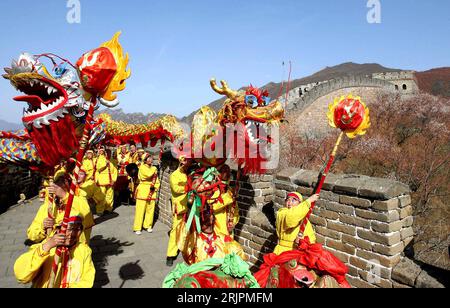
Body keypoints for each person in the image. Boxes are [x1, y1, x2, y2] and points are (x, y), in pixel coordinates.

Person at [15, 216, 95, 288]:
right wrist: (47, 246)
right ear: (57, 229)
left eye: (77, 229)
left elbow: (87, 280)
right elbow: (22, 276)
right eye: (69, 229)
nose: (72, 234)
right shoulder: (44, 247)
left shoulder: (84, 250)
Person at [27, 173, 94, 245]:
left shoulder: (79, 198)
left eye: (64, 181)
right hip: (52, 250)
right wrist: (43, 227)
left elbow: (87, 215)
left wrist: (65, 196)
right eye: (57, 182)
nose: (60, 185)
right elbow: (32, 235)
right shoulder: (47, 207)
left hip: (76, 250)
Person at [181, 205, 247, 265]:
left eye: (212, 222)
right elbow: (185, 248)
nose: (210, 224)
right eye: (206, 223)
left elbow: (239, 255)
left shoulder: (224, 239)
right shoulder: (194, 241)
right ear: (199, 223)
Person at [166, 156, 190, 267]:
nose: (187, 163)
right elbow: (176, 189)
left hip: (191, 206)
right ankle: (170, 255)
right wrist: (189, 187)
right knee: (175, 230)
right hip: (180, 207)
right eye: (185, 161)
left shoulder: (189, 173)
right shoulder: (174, 175)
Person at [133, 153, 160, 235]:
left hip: (151, 190)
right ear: (144, 160)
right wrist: (155, 169)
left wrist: (156, 187)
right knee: (140, 210)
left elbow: (156, 179)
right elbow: (148, 174)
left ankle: (148, 225)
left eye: (150, 158)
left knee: (150, 209)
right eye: (148, 158)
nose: (150, 159)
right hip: (143, 189)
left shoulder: (153, 168)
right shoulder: (142, 167)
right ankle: (137, 227)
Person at [94, 147, 118, 216]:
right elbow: (99, 169)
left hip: (110, 180)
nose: (108, 154)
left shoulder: (111, 160)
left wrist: (114, 180)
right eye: (107, 152)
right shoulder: (98, 159)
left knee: (110, 195)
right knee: (101, 196)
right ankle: (100, 210)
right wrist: (105, 164)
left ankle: (108, 209)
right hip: (102, 180)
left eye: (109, 152)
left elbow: (115, 171)